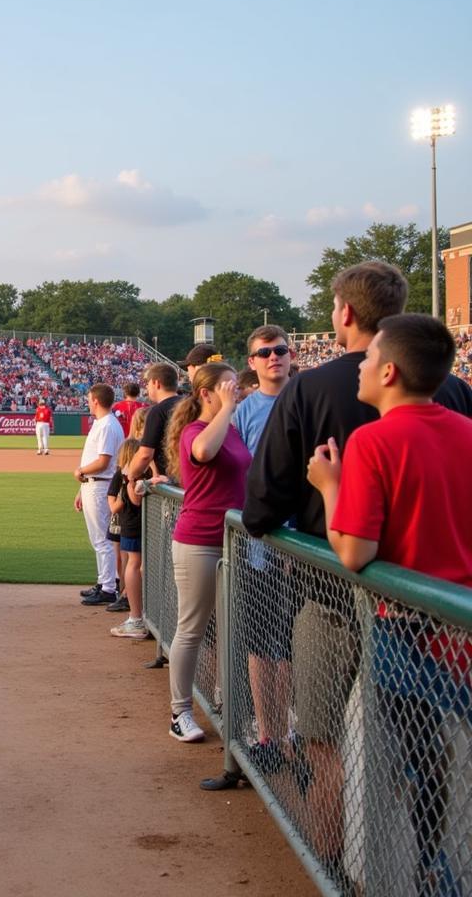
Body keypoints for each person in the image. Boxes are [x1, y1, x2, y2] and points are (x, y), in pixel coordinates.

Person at [241, 260, 472, 881]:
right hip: (437, 609)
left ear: (345, 312)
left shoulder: (315, 389)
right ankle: (428, 862)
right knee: (423, 747)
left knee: (326, 743)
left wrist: (319, 497)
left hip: (338, 596)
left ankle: (330, 869)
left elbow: (262, 506)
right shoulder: (452, 391)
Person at [307, 314, 472, 897]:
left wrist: (329, 486)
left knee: (400, 768)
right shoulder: (467, 430)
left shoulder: (373, 439)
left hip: (404, 632)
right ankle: (441, 869)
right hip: (462, 628)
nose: (360, 363)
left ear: (390, 371)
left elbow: (354, 553)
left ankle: (411, 877)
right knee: (449, 761)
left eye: (369, 354)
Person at [164, 362, 250, 743]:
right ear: (205, 393)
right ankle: (179, 712)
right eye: (228, 387)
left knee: (234, 628)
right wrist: (228, 408)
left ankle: (226, 700)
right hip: (199, 540)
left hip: (233, 541)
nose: (235, 392)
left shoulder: (229, 429)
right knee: (192, 628)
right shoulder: (197, 430)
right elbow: (202, 451)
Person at [232, 326, 296, 769]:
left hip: (302, 544)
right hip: (256, 542)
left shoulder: (306, 399)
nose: (275, 357)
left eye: (281, 350)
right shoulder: (244, 411)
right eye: (265, 353)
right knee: (258, 643)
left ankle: (290, 734)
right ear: (252, 362)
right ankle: (268, 732)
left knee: (289, 646)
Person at [74, 384, 124, 606]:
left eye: (89, 398)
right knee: (101, 539)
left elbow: (104, 461)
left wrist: (81, 472)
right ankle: (105, 581)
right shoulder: (102, 423)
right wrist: (81, 489)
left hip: (100, 484)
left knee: (101, 539)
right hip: (93, 485)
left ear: (95, 400)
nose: (87, 401)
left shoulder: (107, 425)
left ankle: (108, 588)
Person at [108, 437, 151, 639]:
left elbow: (127, 502)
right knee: (138, 564)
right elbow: (115, 505)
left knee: (134, 564)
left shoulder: (129, 475)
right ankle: (140, 614)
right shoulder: (138, 473)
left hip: (132, 525)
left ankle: (136, 616)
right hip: (134, 524)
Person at [124, 362, 180, 482]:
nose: (147, 387)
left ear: (156, 383)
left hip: (169, 479)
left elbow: (145, 455)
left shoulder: (157, 411)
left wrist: (130, 475)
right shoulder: (190, 404)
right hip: (192, 477)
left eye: (148, 383)